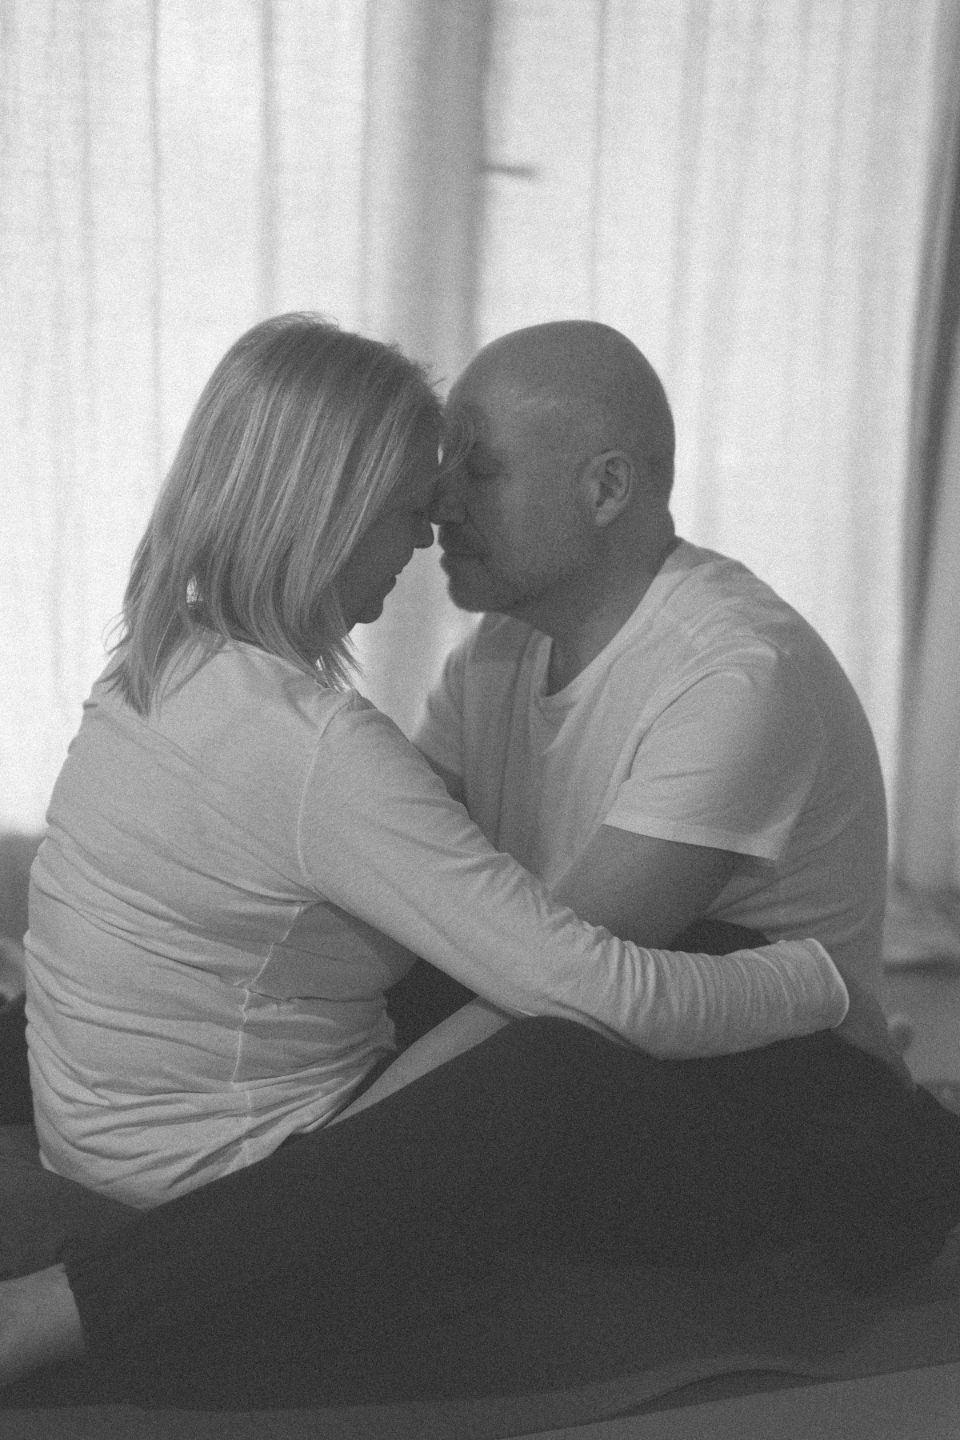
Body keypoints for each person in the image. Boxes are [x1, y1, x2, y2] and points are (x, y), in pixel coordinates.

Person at [0, 315, 957, 1404]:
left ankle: (917, 1160)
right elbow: (430, 899)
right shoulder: (489, 657)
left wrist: (338, 1171)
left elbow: (563, 988)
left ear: (606, 487)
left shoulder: (735, 675)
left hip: (775, 1087)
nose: (442, 509)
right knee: (463, 979)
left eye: (479, 471)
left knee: (564, 1040)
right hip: (628, 1004)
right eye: (428, 484)